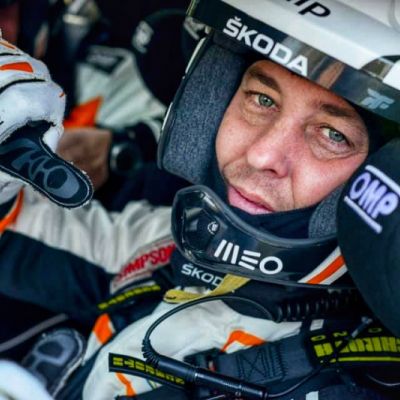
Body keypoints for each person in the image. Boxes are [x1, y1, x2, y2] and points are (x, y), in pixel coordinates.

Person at [0, 0, 399, 399]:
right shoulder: (168, 240)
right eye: (262, 100)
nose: (261, 155)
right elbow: (21, 237)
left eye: (332, 135)